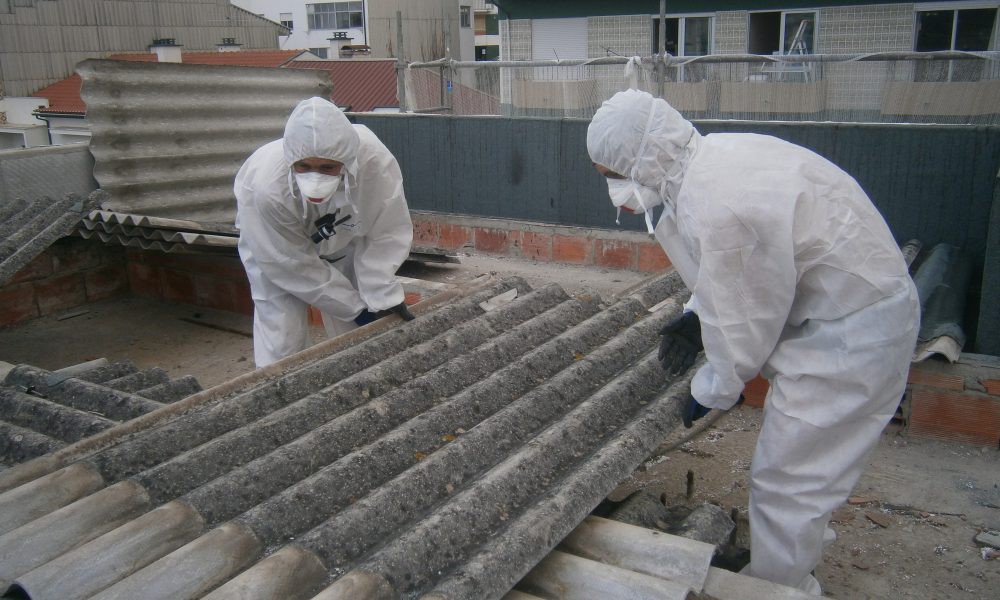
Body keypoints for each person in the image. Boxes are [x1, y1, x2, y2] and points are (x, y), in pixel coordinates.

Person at [587, 89, 919, 595]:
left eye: (613, 177)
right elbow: (736, 277)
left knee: (790, 480)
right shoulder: (713, 161)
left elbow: (744, 325)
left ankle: (778, 587)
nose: (616, 192)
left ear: (641, 160)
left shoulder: (720, 205)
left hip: (852, 339)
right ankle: (784, 566)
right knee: (803, 473)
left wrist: (712, 388)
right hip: (843, 314)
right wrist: (695, 317)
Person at [235, 97, 414, 367]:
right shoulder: (265, 189)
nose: (315, 178)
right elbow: (293, 266)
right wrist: (356, 307)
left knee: (357, 337)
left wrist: (381, 296)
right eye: (304, 167)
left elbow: (386, 231)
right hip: (276, 250)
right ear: (291, 159)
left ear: (346, 160)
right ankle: (280, 394)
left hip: (342, 241)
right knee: (282, 334)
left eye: (328, 168)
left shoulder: (374, 163)